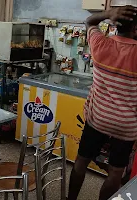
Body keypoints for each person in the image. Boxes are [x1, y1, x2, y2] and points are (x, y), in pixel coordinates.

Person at [68, 5, 137, 200]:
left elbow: (89, 22)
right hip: (126, 126)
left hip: (98, 118)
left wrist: (107, 14)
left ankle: (70, 198)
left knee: (81, 161)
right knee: (115, 172)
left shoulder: (100, 45)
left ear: (115, 25)